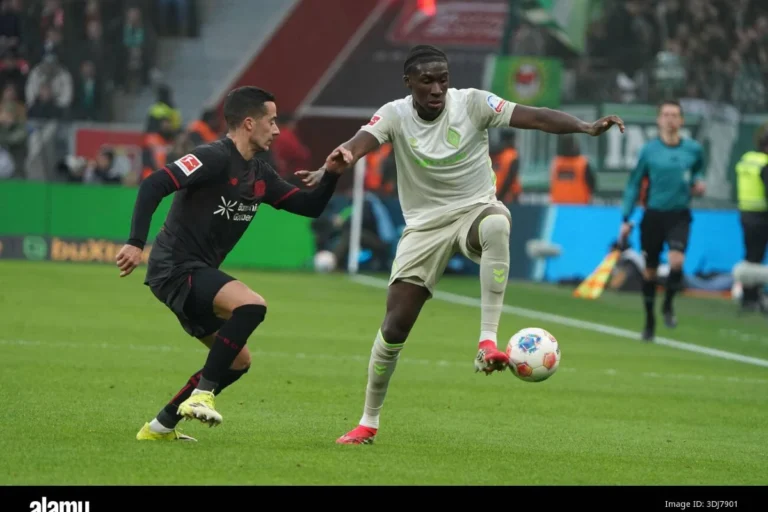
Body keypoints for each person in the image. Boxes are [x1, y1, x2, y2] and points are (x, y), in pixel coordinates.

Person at [309, 45, 624, 445]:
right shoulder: (394, 114)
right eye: (427, 80)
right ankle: (368, 421)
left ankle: (487, 341)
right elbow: (358, 143)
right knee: (394, 327)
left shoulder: (474, 103)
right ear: (409, 83)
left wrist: (585, 127)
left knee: (497, 222)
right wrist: (336, 161)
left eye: (443, 78)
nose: (438, 88)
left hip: (474, 210)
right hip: (424, 227)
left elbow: (537, 117)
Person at [115, 86, 342, 442]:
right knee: (251, 305)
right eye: (272, 120)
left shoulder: (260, 174)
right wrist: (134, 242)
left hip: (195, 274)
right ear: (250, 123)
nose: (278, 129)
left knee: (237, 361)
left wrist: (332, 174)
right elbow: (154, 184)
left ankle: (159, 427)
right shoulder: (212, 157)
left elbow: (309, 206)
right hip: (175, 266)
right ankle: (202, 395)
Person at [619, 99, 705, 342]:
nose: (670, 119)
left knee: (677, 262)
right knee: (650, 272)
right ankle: (649, 321)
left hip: (679, 215)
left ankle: (667, 304)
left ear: (681, 120)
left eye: (674, 114)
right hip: (653, 216)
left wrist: (699, 182)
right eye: (665, 114)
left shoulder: (693, 149)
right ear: (658, 120)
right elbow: (634, 184)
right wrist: (626, 217)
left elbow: (699, 169)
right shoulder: (648, 151)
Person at [733, 127, 768, 313]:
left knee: (751, 255)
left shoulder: (747, 158)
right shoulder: (765, 163)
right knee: (757, 257)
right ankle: (754, 296)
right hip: (762, 215)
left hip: (745, 212)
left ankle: (748, 295)